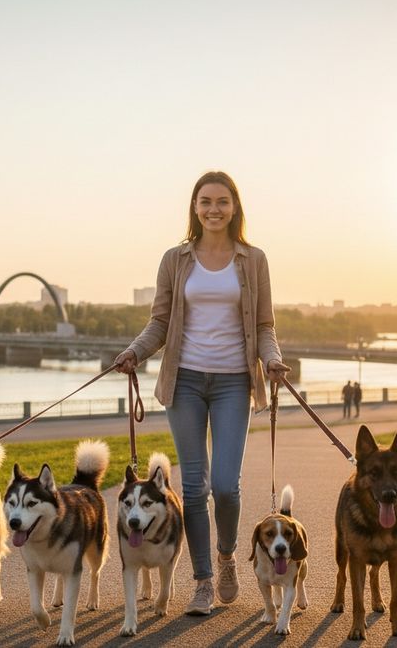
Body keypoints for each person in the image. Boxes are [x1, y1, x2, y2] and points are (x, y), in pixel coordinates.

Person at [114, 171, 290, 617]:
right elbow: (159, 322)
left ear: (235, 207)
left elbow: (265, 325)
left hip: (234, 381)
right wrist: (135, 352)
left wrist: (271, 360)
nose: (214, 209)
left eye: (222, 201)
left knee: (226, 487)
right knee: (195, 489)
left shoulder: (253, 259)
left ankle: (226, 555)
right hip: (185, 381)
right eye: (205, 201)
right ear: (194, 207)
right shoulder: (175, 259)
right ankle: (203, 582)